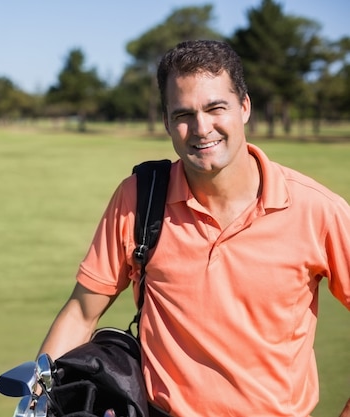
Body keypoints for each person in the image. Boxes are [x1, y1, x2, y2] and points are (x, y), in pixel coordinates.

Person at [38, 40, 350, 417]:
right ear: (167, 121)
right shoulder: (138, 197)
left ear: (244, 107)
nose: (201, 129)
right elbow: (81, 313)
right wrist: (37, 400)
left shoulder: (316, 209)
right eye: (183, 114)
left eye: (216, 108)